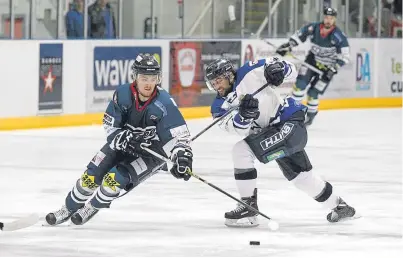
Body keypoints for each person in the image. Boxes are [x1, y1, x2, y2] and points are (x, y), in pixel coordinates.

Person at [205, 56, 357, 227]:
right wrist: (244, 116)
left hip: (288, 122)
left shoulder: (251, 70)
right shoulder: (218, 107)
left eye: (218, 80)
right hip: (274, 132)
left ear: (229, 75)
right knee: (302, 178)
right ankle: (340, 206)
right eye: (212, 83)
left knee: (241, 151)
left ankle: (248, 207)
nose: (216, 86)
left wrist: (278, 70)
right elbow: (237, 128)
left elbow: (291, 69)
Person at [46, 54, 193, 226]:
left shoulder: (165, 103)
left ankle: (91, 207)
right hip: (121, 146)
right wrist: (122, 138)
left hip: (150, 154)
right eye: (143, 78)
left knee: (113, 181)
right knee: (89, 178)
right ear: (135, 77)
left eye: (153, 78)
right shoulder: (122, 94)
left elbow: (179, 135)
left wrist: (182, 156)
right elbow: (110, 125)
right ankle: (68, 208)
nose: (148, 83)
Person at [276, 7, 350, 125]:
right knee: (299, 86)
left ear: (334, 19)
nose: (328, 20)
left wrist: (333, 69)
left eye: (331, 18)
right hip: (312, 62)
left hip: (327, 69)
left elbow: (345, 57)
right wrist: (288, 46)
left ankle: (310, 117)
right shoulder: (313, 27)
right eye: (326, 17)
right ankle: (292, 112)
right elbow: (299, 36)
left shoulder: (339, 36)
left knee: (313, 94)